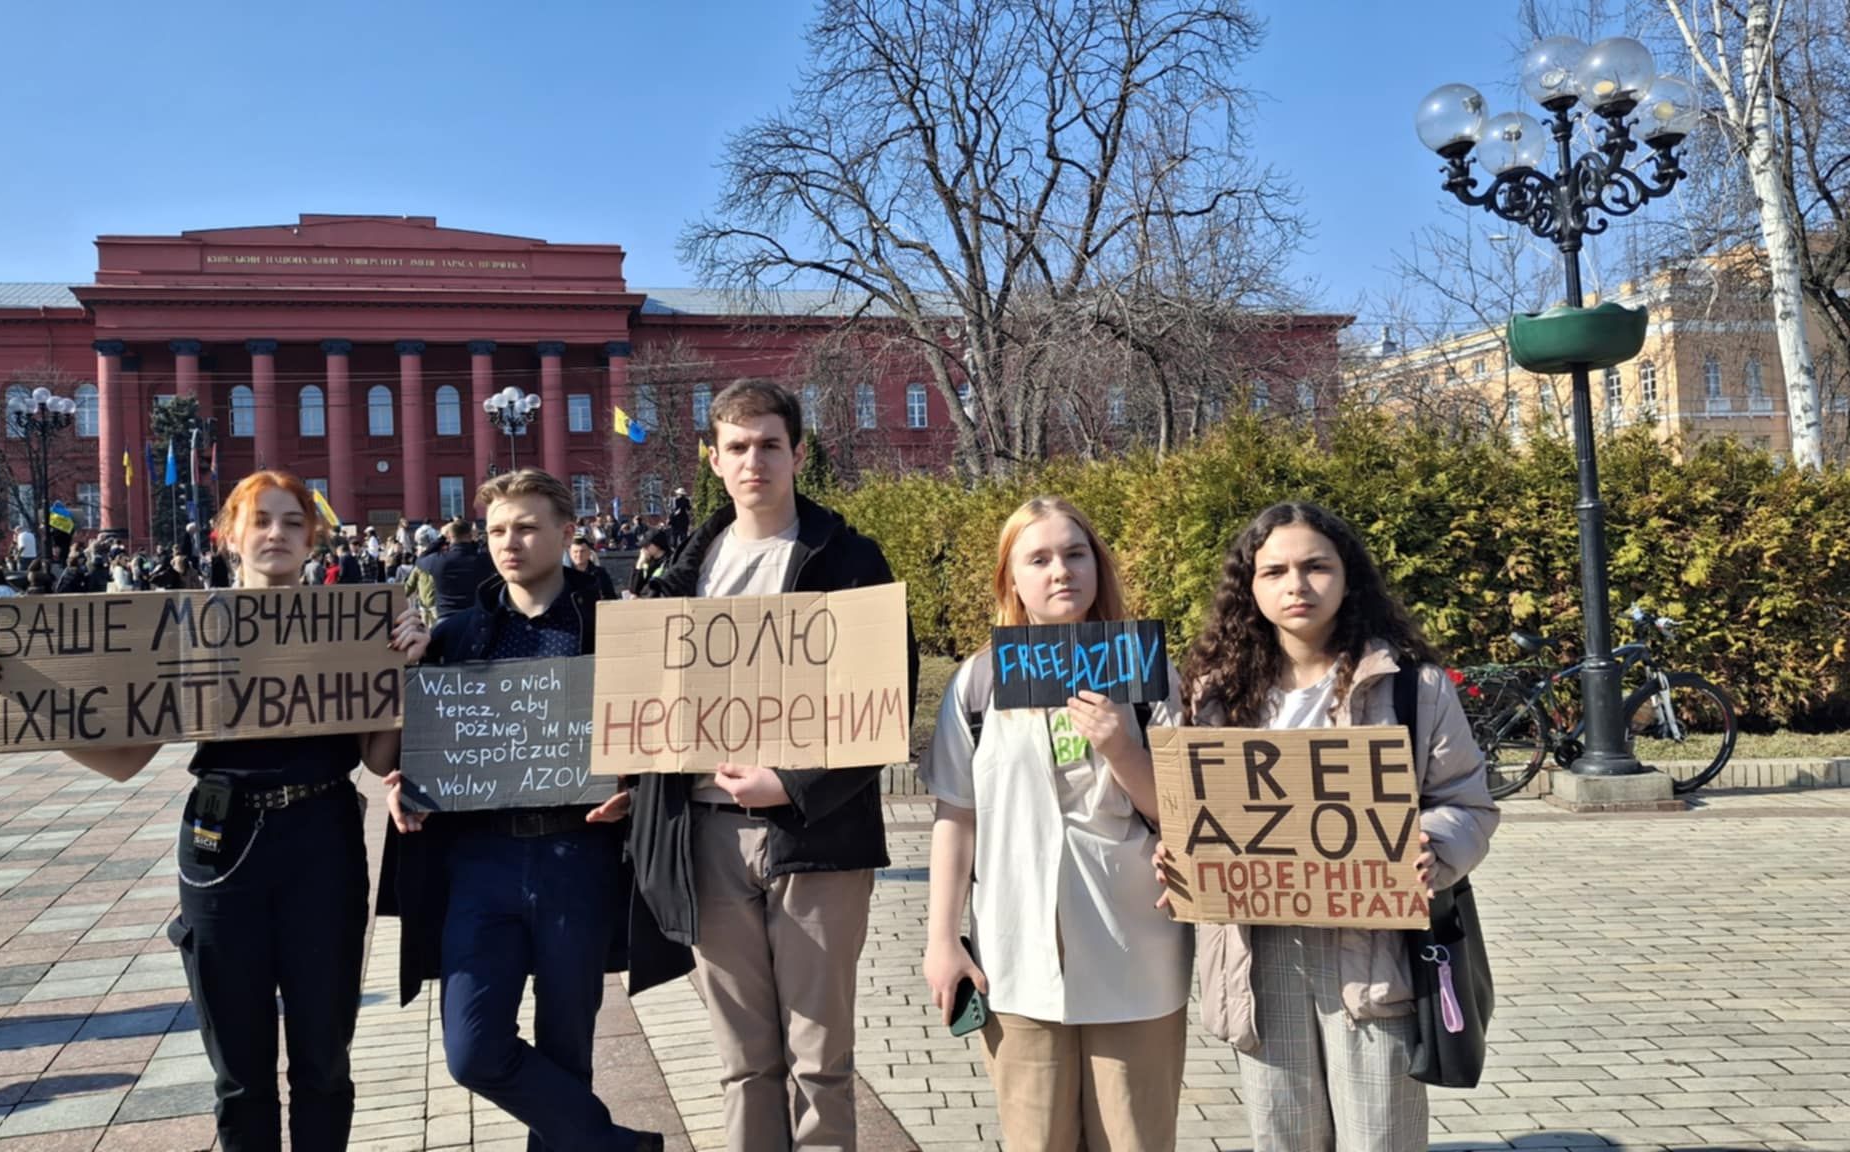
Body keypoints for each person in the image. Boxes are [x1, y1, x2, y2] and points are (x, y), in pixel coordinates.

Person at [0, 470, 427, 1152]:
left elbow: (379, 760)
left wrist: (404, 675)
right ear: (230, 536)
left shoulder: (356, 627)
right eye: (261, 520)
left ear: (313, 538)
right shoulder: (187, 630)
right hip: (221, 846)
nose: (277, 533)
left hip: (322, 840)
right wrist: (26, 697)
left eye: (293, 522)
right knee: (239, 1071)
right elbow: (125, 760)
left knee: (324, 1060)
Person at [1155, 502, 1498, 1152]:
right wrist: (1178, 860)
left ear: (1348, 577)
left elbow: (1467, 805)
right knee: (1282, 1138)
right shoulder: (1210, 696)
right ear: (1249, 586)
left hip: (1371, 953)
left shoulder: (1411, 688)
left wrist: (1437, 849)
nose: (1296, 585)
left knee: (1380, 1138)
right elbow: (1185, 816)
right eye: (1275, 570)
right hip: (1260, 956)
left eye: (1316, 567)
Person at [629, 380, 915, 1152]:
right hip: (705, 837)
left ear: (797, 452)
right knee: (743, 1062)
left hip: (815, 836)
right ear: (713, 460)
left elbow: (887, 698)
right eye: (737, 446)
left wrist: (791, 785)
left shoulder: (847, 559)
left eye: (769, 444)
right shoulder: (683, 573)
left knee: (820, 1061)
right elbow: (643, 695)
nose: (754, 460)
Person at [377, 469, 683, 1152]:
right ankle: (620, 1147)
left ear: (567, 533)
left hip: (578, 855)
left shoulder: (615, 632)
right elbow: (416, 749)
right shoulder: (456, 635)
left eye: (525, 526)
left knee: (567, 1048)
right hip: (481, 862)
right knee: (473, 1049)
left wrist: (640, 793)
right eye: (495, 530)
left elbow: (667, 740)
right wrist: (407, 782)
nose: (508, 542)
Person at [920, 496, 1192, 1151]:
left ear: (1098, 566)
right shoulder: (979, 684)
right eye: (1038, 559)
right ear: (1011, 579)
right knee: (1036, 1139)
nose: (1061, 571)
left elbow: (1183, 818)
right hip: (1016, 956)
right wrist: (941, 940)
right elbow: (956, 815)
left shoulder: (1147, 676)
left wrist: (1121, 746)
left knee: (1134, 1138)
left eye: (1075, 554)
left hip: (1134, 951)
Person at [414, 517, 490, 619]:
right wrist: (477, 540)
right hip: (475, 617)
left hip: (447, 616)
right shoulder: (482, 560)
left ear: (450, 536)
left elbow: (420, 559)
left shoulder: (439, 561)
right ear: (470, 535)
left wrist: (441, 538)